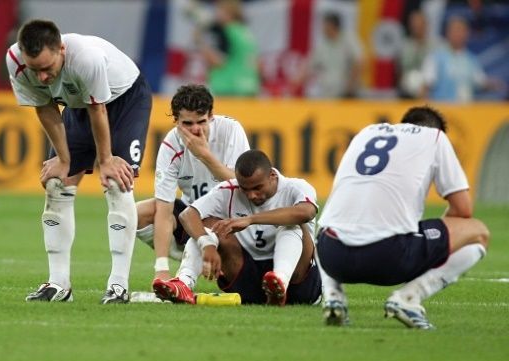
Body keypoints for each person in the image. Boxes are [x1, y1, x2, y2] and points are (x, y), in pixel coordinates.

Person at [5, 19, 152, 304]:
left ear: (61, 48)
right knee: (56, 184)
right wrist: (62, 159)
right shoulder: (16, 61)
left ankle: (118, 285)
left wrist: (106, 160)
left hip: (124, 100)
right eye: (36, 70)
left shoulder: (85, 58)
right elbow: (45, 107)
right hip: (77, 104)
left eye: (48, 68)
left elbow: (98, 110)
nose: (43, 78)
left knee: (116, 182)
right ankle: (59, 284)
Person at [317, 106, 490, 329]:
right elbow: (463, 209)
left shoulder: (366, 133)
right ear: (436, 129)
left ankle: (332, 294)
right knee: (477, 231)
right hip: (387, 258)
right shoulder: (435, 137)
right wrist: (438, 243)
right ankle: (409, 298)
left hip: (331, 256)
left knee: (332, 220)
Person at [157, 149, 321, 306]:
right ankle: (183, 282)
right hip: (247, 281)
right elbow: (187, 215)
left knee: (292, 226)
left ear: (272, 175)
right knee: (210, 228)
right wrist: (206, 244)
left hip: (299, 285)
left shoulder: (296, 187)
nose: (251, 195)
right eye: (245, 189)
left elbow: (306, 212)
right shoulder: (229, 189)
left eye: (257, 187)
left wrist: (250, 219)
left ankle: (280, 283)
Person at [136, 84, 249, 297]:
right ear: (176, 122)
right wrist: (161, 269)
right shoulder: (171, 145)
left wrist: (204, 155)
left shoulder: (230, 131)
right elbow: (164, 208)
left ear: (211, 116)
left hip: (232, 223)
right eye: (187, 123)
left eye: (201, 122)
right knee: (136, 213)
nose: (195, 130)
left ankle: (192, 269)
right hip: (192, 220)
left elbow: (244, 186)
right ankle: (182, 258)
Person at [421, 16, 502, 102]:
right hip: (443, 109)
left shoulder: (471, 59)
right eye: (455, 30)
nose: (458, 34)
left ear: (467, 33)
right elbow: (426, 85)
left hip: (466, 111)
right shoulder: (436, 57)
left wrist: (496, 85)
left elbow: (480, 82)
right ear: (447, 33)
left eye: (461, 30)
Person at [194, 0, 259, 97]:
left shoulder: (227, 31)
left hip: (229, 87)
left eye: (219, 11)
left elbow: (219, 61)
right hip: (249, 87)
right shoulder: (244, 32)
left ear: (228, 13)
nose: (216, 15)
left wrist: (200, 42)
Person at [296, 12, 364, 99]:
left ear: (333, 26)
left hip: (348, 95)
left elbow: (360, 62)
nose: (323, 29)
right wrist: (295, 82)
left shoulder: (349, 39)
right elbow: (309, 68)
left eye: (325, 26)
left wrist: (349, 87)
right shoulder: (322, 45)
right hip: (328, 95)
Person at [397, 10, 437, 99]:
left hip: (430, 92)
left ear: (426, 25)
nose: (417, 27)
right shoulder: (404, 46)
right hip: (407, 92)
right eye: (414, 24)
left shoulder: (436, 46)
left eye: (420, 24)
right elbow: (399, 71)